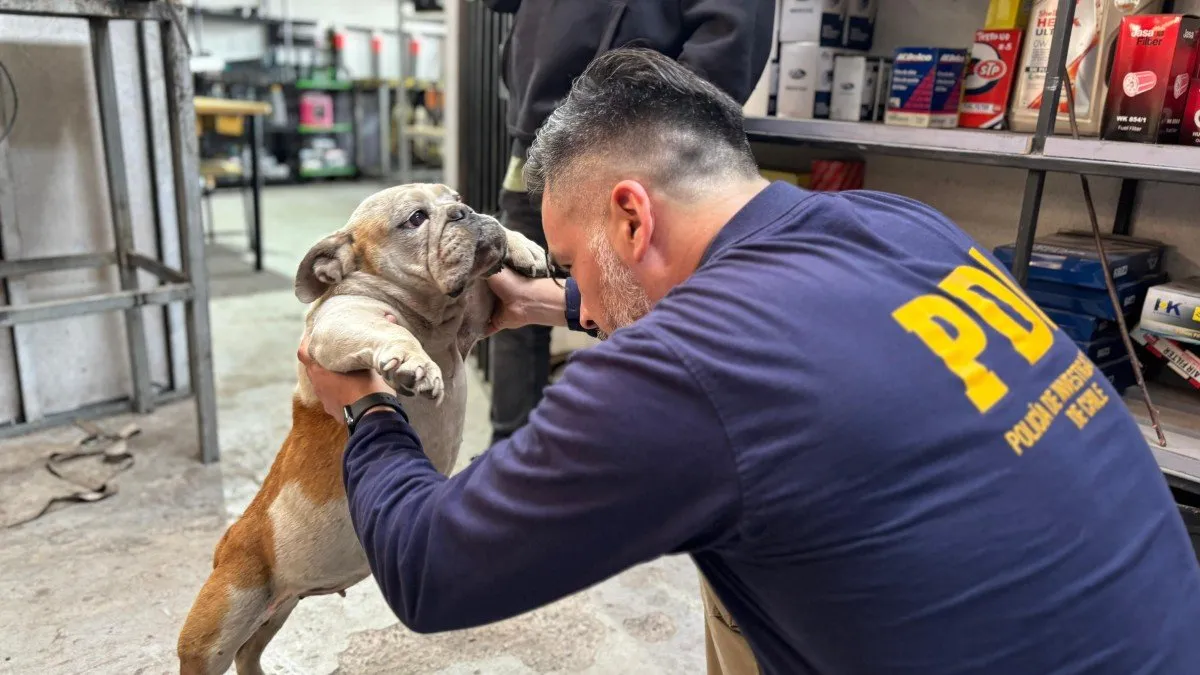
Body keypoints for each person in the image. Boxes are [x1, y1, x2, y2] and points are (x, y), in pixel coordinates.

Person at [298, 49, 1200, 674]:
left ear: (632, 217)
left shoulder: (684, 372)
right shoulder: (902, 224)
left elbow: (424, 566)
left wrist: (367, 404)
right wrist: (546, 299)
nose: (590, 310)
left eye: (573, 266)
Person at [479, 0, 776, 451]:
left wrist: (652, 138)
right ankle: (509, 452)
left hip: (634, 145)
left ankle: (636, 458)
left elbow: (730, 37)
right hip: (538, 130)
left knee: (641, 298)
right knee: (526, 292)